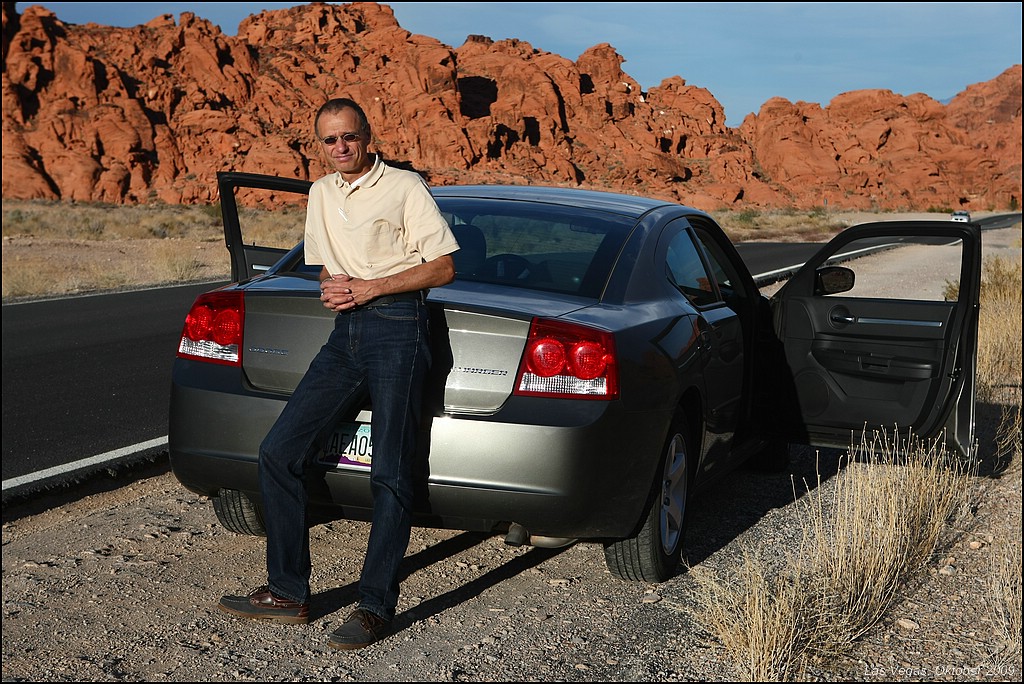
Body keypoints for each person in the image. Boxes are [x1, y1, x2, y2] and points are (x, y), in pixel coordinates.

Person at [218, 97, 459, 650]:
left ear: (367, 136)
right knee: (279, 451)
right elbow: (326, 262)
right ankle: (288, 592)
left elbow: (444, 266)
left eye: (349, 136)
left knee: (390, 470)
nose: (341, 147)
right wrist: (332, 287)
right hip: (346, 331)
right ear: (320, 144)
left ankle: (374, 607)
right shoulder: (322, 192)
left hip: (399, 326)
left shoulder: (405, 187)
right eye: (330, 140)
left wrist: (373, 286)